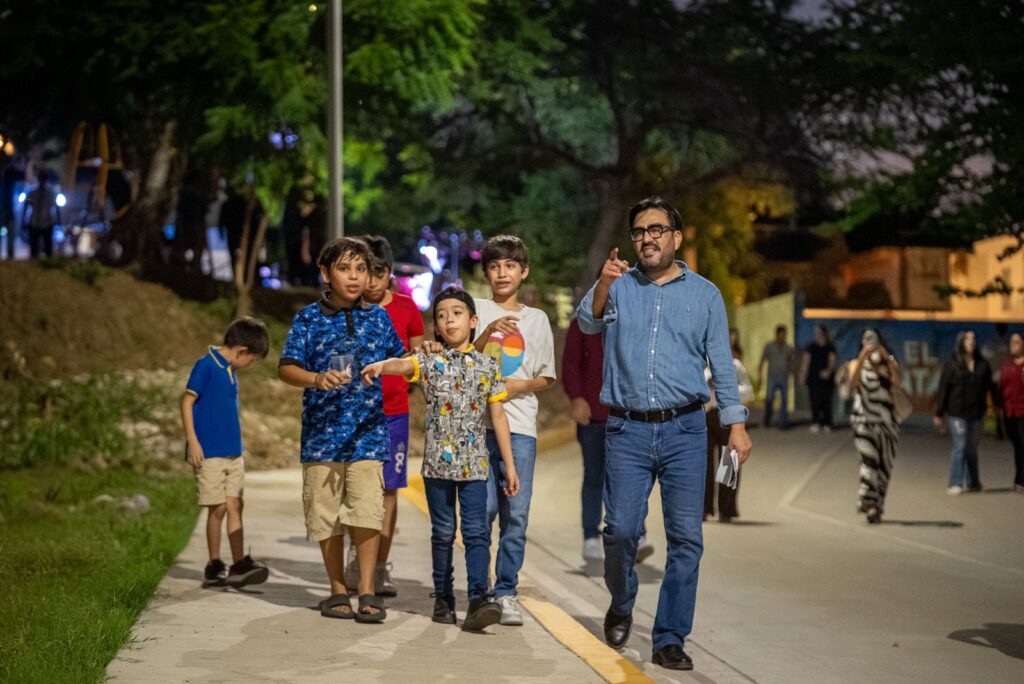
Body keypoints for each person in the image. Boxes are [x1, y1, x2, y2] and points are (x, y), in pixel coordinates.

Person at [577, 196, 752, 671]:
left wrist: (736, 425)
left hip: (686, 431)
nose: (647, 238)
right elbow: (587, 324)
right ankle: (621, 602)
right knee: (621, 531)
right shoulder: (618, 284)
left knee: (686, 540)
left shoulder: (706, 294)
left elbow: (722, 364)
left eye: (657, 229)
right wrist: (602, 284)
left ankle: (670, 637)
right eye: (639, 231)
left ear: (676, 236)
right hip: (627, 430)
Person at [361, 287, 520, 631]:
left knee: (478, 533)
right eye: (442, 315)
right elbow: (402, 363)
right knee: (443, 533)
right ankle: (443, 597)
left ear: (473, 321)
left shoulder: (487, 365)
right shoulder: (428, 361)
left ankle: (479, 597)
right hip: (436, 467)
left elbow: (499, 416)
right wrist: (380, 365)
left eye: (457, 313)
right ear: (435, 326)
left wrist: (508, 463)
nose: (449, 320)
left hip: (476, 466)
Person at [278, 237, 405, 623]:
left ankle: (366, 589)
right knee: (326, 515)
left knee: (367, 513)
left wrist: (407, 362)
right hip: (322, 437)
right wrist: (316, 379)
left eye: (361, 269)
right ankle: (336, 591)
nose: (354, 277)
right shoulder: (307, 319)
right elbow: (286, 367)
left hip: (368, 433)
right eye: (345, 269)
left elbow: (400, 360)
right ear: (325, 273)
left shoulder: (379, 318)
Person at [472, 235, 557, 626]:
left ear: (524, 272)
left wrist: (519, 386)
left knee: (515, 514)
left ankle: (506, 591)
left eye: (510, 265)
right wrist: (487, 332)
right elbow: (459, 354)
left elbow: (546, 377)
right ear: (486, 272)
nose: (502, 272)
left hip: (520, 428)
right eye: (495, 266)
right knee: (483, 510)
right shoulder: (474, 308)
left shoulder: (537, 320)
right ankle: (479, 590)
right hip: (474, 426)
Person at [343, 235, 425, 596]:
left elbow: (420, 362)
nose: (371, 282)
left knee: (390, 491)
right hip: (355, 415)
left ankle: (380, 566)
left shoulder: (407, 309)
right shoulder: (347, 308)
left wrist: (412, 367)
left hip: (394, 414)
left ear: (390, 273)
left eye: (378, 273)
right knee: (356, 488)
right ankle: (357, 556)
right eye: (366, 273)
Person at [181, 317, 271, 588]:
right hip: (210, 453)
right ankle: (214, 564)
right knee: (217, 507)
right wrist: (193, 441)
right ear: (242, 351)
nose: (250, 365)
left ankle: (239, 563)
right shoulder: (206, 365)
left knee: (235, 504)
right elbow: (187, 401)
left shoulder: (231, 370)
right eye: (251, 360)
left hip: (233, 452)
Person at [562, 316, 655, 562]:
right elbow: (570, 364)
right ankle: (590, 536)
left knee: (629, 478)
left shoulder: (635, 320)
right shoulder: (582, 323)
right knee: (594, 477)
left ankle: (636, 533)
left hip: (629, 415)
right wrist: (577, 398)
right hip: (593, 416)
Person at [849, 328, 902, 523]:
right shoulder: (856, 363)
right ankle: (869, 504)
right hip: (864, 422)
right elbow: (853, 382)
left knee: (884, 468)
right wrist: (863, 356)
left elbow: (898, 379)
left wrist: (884, 353)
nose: (869, 342)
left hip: (887, 422)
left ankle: (878, 504)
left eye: (873, 338)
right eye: (866, 339)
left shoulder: (887, 362)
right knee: (869, 463)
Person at [935, 330, 993, 495]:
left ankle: (974, 482)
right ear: (961, 342)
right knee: (960, 445)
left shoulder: (982, 364)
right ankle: (955, 482)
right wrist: (939, 413)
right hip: (957, 411)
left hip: (976, 412)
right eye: (967, 338)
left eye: (973, 338)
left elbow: (988, 388)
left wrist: (990, 408)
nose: (971, 341)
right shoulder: (952, 363)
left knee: (972, 448)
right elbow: (943, 388)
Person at [704, 330, 753, 523]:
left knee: (729, 463)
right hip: (707, 416)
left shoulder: (735, 366)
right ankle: (704, 509)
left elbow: (749, 392)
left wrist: (729, 390)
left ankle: (726, 509)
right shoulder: (701, 366)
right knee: (704, 466)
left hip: (729, 416)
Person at [997, 332, 1024, 492]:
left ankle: (1021, 479)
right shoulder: (1007, 366)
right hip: (1010, 412)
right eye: (1012, 342)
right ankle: (1018, 477)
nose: (1013, 344)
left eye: (1017, 342)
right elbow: (1001, 388)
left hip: (1022, 412)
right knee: (1017, 446)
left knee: (1023, 445)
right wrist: (999, 408)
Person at [800, 325, 837, 433]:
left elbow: (832, 360)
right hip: (813, 378)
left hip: (826, 380)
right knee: (814, 401)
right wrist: (803, 376)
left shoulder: (830, 347)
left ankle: (827, 423)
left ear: (824, 333)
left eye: (819, 332)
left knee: (826, 401)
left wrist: (828, 371)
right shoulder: (811, 347)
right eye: (815, 332)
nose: (817, 334)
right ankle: (816, 422)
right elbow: (805, 362)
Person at [758, 325, 794, 429]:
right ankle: (767, 420)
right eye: (781, 334)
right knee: (769, 399)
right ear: (777, 334)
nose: (782, 337)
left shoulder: (788, 348)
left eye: (784, 334)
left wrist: (790, 371)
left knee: (784, 400)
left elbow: (791, 362)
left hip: (784, 378)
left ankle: (783, 423)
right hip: (772, 378)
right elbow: (762, 359)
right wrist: (760, 373)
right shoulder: (769, 346)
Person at [24, 170, 60, 258]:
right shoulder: (32, 193)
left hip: (47, 222)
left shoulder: (51, 193)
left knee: (48, 247)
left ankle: (48, 264)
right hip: (34, 222)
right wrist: (24, 221)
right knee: (33, 247)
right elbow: (25, 207)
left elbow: (56, 208)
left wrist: (58, 221)